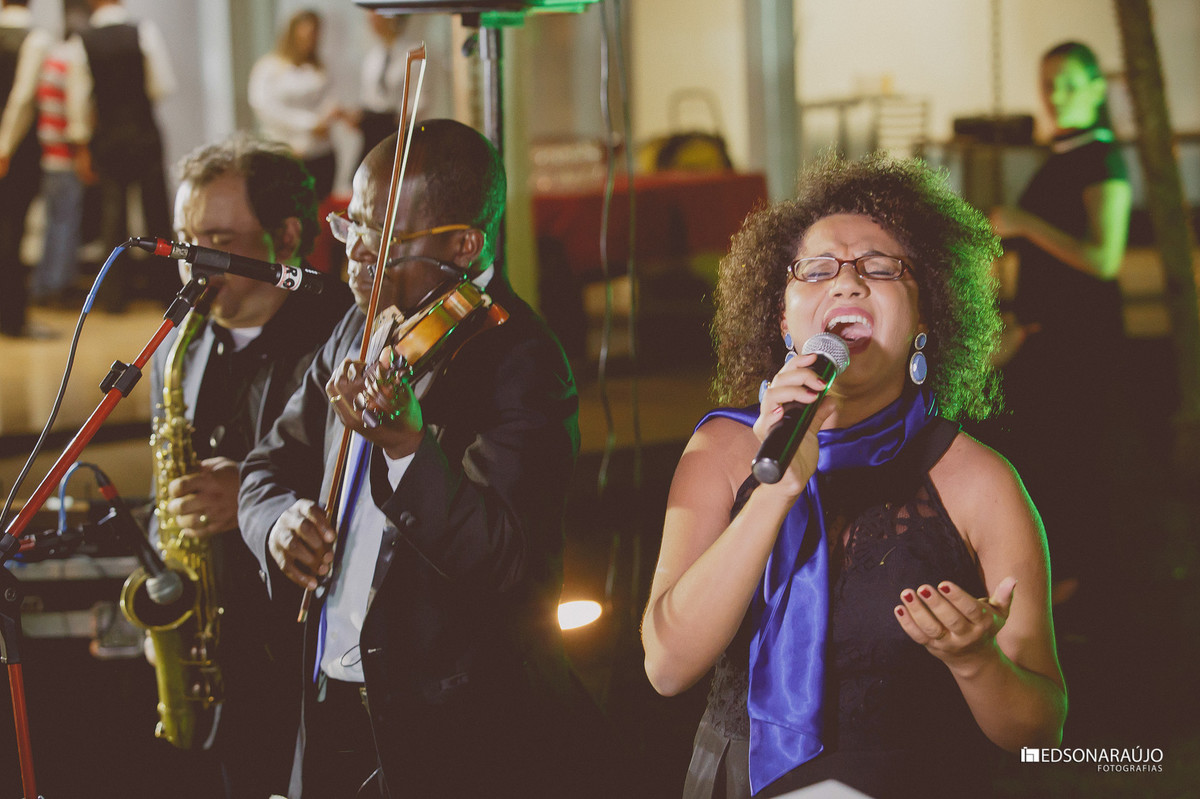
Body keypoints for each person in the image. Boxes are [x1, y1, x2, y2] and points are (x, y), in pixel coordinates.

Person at [642, 153, 1066, 799]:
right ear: (783, 316)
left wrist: (976, 661)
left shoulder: (977, 481)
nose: (846, 283)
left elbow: (1039, 729)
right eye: (817, 269)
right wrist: (776, 488)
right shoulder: (720, 449)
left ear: (927, 314)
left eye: (879, 267)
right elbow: (667, 666)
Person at [238, 120, 607, 798]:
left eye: (382, 237)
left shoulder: (521, 358)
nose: (355, 253)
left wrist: (409, 446)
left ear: (464, 244)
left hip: (451, 731)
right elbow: (265, 468)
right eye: (353, 227)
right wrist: (277, 522)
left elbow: (507, 562)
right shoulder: (358, 322)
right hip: (331, 701)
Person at [147, 134, 353, 798]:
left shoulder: (338, 333)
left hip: (304, 649)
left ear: (286, 236)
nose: (192, 264)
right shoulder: (179, 345)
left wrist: (254, 498)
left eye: (217, 239)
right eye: (185, 240)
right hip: (215, 648)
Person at [987, 41, 1131, 606]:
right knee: (1045, 454)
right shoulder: (1065, 156)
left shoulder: (1100, 160)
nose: (1056, 95)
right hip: (1047, 335)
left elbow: (1105, 258)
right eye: (1049, 82)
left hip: (1082, 341)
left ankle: (1075, 585)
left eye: (1070, 83)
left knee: (1071, 457)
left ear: (1097, 89)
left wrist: (1024, 222)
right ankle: (1057, 578)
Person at [64, 0, 177, 310]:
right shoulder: (143, 31)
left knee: (112, 216)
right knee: (156, 211)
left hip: (109, 134)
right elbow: (160, 85)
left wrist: (82, 145)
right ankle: (165, 288)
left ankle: (113, 296)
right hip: (143, 129)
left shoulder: (81, 42)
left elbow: (78, 99)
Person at [248, 9, 341, 204]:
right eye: (305, 34)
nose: (310, 40)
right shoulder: (269, 67)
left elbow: (331, 100)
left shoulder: (321, 66)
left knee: (319, 212)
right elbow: (265, 107)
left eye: (314, 34)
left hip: (320, 152)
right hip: (284, 152)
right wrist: (308, 124)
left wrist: (324, 120)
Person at [0, 0, 50, 337]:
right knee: (12, 232)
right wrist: (4, 145)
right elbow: (21, 97)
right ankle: (12, 318)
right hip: (16, 151)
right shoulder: (35, 38)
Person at [29, 37, 83, 308]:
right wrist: (82, 150)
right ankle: (57, 285)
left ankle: (43, 282)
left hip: (48, 154)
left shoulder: (51, 61)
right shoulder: (72, 64)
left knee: (53, 223)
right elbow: (75, 112)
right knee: (65, 223)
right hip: (65, 155)